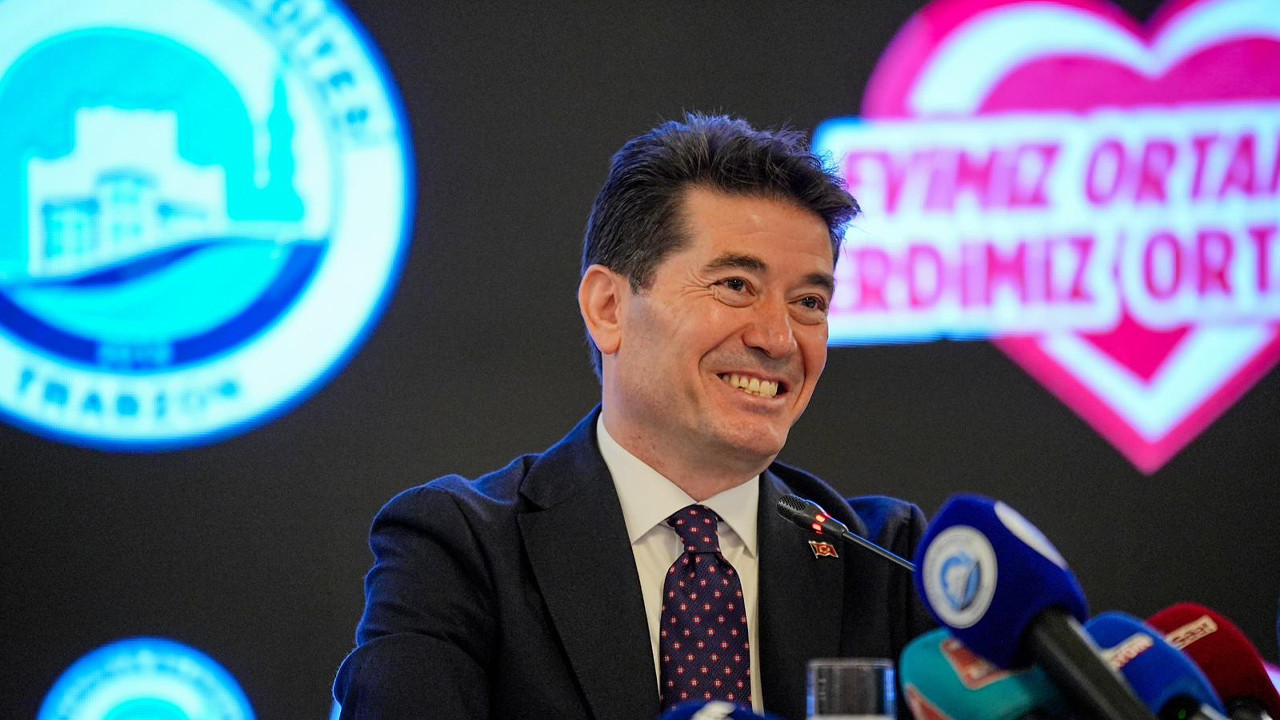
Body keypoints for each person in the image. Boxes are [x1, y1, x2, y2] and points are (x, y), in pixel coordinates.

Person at [333, 113, 934, 720]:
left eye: (809, 302)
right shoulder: (461, 550)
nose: (778, 339)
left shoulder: (886, 560)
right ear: (609, 308)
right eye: (734, 285)